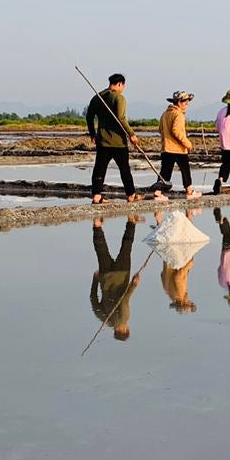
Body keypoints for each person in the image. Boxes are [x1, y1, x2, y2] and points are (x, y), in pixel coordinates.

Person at [87, 73, 143, 204]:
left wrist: (92, 133)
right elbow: (121, 118)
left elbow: (89, 117)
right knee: (124, 169)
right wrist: (131, 134)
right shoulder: (119, 98)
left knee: (99, 169)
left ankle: (96, 196)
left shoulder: (97, 97)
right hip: (118, 142)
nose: (123, 88)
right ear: (119, 84)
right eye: (123, 86)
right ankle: (131, 195)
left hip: (102, 141)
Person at [90, 217, 141, 341]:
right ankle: (97, 226)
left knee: (126, 247)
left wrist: (134, 285)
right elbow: (93, 300)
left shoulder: (124, 319)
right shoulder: (104, 318)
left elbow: (124, 300)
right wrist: (95, 280)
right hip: (105, 277)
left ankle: (131, 222)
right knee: (101, 250)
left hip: (122, 274)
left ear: (123, 330)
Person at [158, 91, 199, 198]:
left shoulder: (165, 114)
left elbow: (160, 129)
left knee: (165, 172)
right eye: (185, 101)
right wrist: (187, 144)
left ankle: (158, 192)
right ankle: (189, 191)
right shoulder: (178, 114)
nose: (187, 104)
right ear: (179, 102)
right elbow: (176, 131)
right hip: (178, 149)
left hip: (166, 148)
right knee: (185, 170)